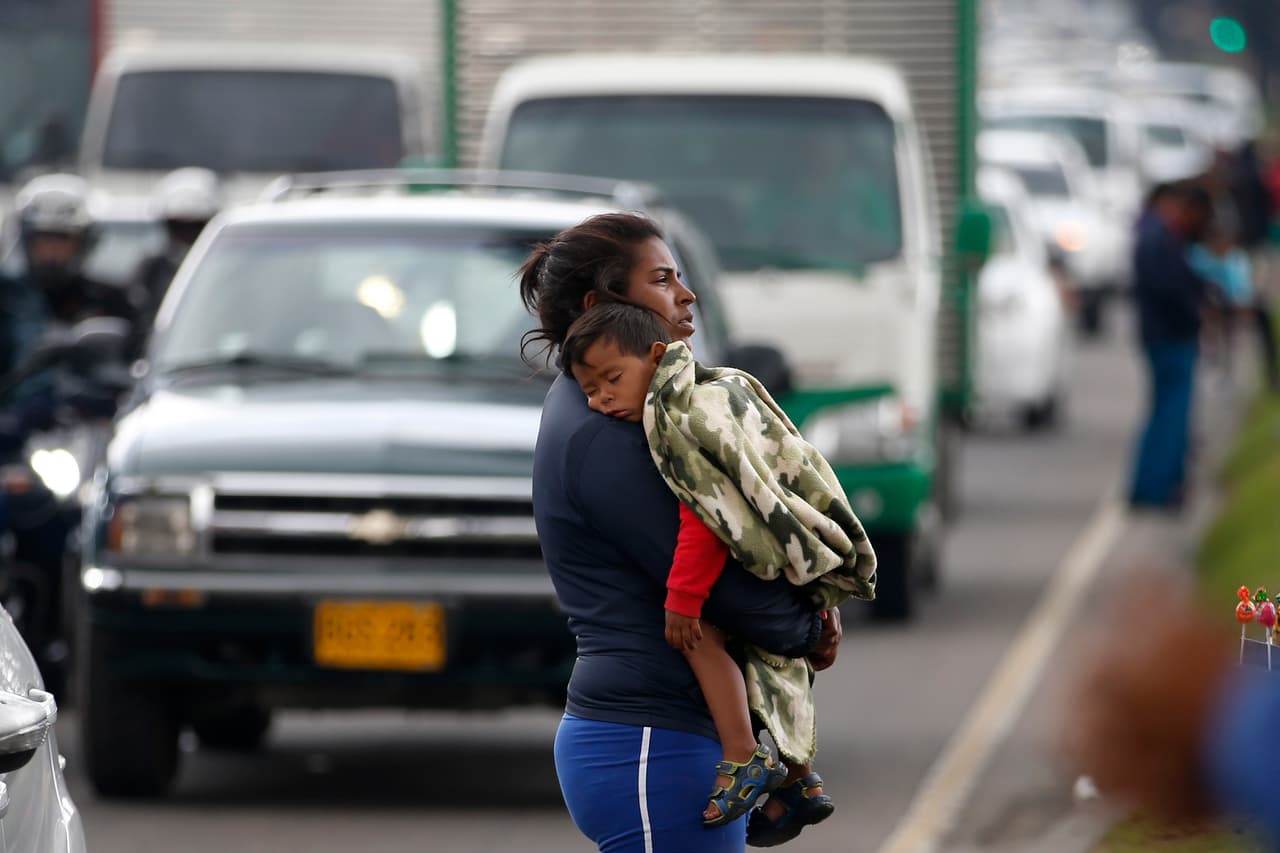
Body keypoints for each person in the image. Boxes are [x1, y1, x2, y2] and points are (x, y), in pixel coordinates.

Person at [519, 213, 842, 852]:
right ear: (603, 306)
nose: (685, 295)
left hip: (658, 737)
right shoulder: (604, 436)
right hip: (646, 743)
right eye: (663, 279)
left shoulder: (632, 417)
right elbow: (714, 578)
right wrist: (810, 626)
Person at [559, 301, 876, 840]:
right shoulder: (702, 393)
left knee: (698, 636)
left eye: (612, 380)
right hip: (771, 562)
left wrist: (682, 597)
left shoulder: (676, 417)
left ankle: (743, 755)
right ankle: (799, 779)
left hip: (747, 557)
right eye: (589, 390)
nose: (600, 399)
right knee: (769, 666)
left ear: (656, 358)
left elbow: (706, 513)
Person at [1127, 182, 1214, 511]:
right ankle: (1157, 488)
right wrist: (1196, 312)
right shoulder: (1158, 240)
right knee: (1172, 415)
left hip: (1162, 335)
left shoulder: (1154, 237)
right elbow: (1171, 291)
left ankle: (1152, 485)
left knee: (1164, 411)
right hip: (1170, 337)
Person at [131, 167, 222, 338]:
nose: (185, 236)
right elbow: (139, 313)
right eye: (178, 226)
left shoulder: (225, 269)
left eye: (195, 227)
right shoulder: (152, 268)